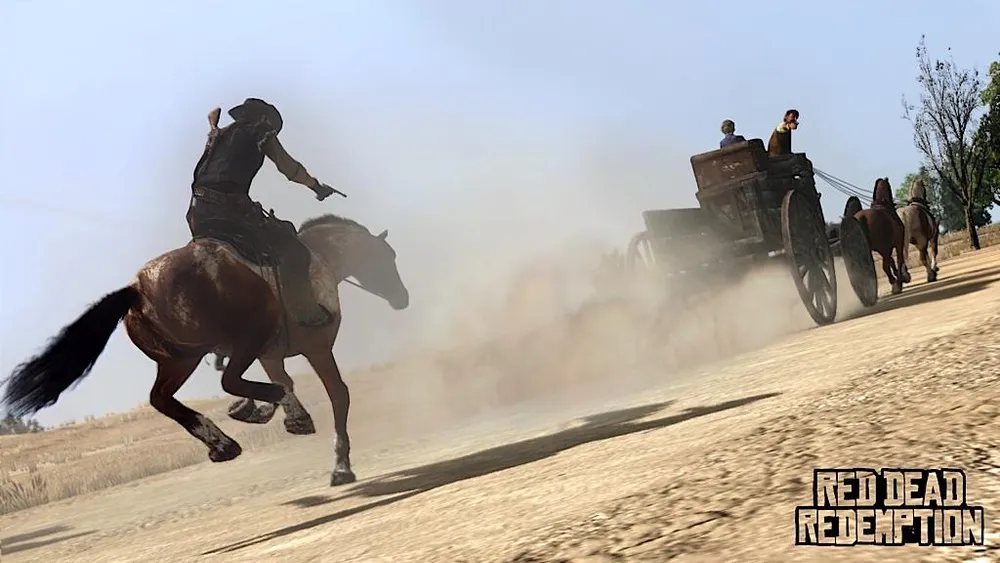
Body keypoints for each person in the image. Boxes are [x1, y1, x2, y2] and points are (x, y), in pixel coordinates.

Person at [187, 98, 339, 327]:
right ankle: (303, 312)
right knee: (294, 250)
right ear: (265, 118)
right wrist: (315, 186)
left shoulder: (219, 134)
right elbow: (288, 167)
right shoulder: (259, 130)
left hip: (198, 213)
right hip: (229, 211)